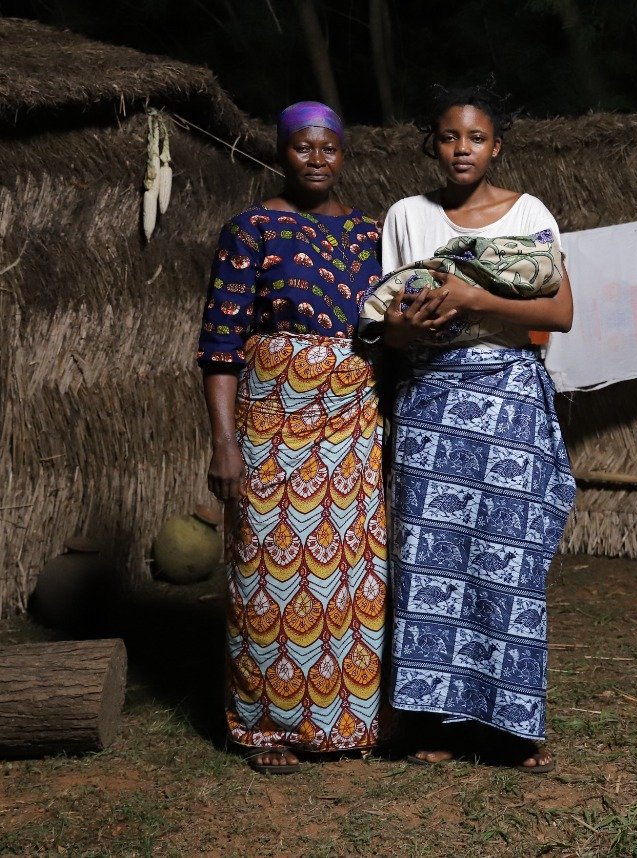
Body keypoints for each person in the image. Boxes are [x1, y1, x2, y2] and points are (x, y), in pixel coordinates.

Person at [380, 85, 577, 772]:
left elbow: (559, 314)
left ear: (497, 146)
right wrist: (411, 325)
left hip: (509, 400)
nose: (461, 149)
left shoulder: (528, 214)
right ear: (432, 144)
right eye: (448, 137)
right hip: (431, 401)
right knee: (430, 561)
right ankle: (434, 721)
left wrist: (469, 296)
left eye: (476, 138)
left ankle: (511, 730)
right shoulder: (407, 215)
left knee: (509, 562)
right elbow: (388, 330)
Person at [196, 101, 386, 775]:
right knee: (268, 569)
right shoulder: (251, 230)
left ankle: (346, 723)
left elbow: (387, 327)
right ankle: (267, 728)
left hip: (354, 425)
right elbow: (220, 348)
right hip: (272, 424)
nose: (315, 158)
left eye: (328, 148)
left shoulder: (371, 235)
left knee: (353, 573)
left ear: (343, 154)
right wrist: (225, 444)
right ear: (282, 152)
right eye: (302, 147)